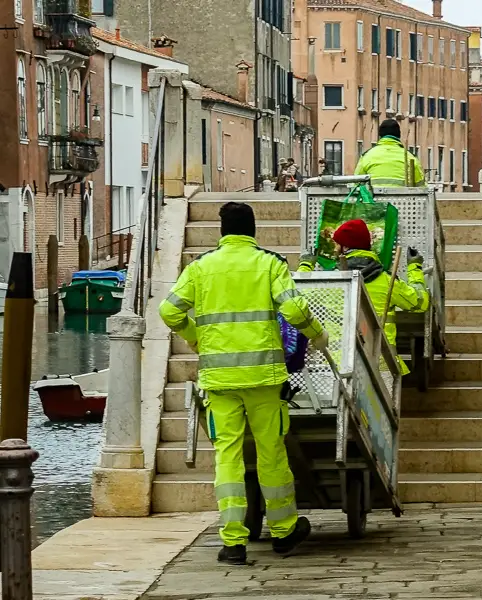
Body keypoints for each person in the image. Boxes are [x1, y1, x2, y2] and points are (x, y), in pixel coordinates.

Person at [159, 202, 329, 566]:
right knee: (271, 453)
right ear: (253, 231)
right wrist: (317, 335)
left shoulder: (200, 268)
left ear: (222, 232)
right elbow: (294, 310)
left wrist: (196, 338)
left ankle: (233, 541)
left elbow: (169, 311)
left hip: (220, 380)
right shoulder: (269, 264)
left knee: (228, 458)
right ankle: (283, 531)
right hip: (264, 379)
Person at [298, 219, 429, 375]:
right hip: (381, 367)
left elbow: (297, 297)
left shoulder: (332, 281)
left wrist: (306, 266)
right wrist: (415, 268)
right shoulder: (387, 281)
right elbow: (420, 302)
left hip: (338, 366)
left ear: (345, 247)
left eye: (337, 244)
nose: (334, 250)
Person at [355, 119, 426, 187]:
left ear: (380, 136)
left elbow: (356, 183)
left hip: (372, 199)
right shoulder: (410, 157)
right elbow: (421, 186)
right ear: (399, 135)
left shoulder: (367, 156)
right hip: (403, 198)